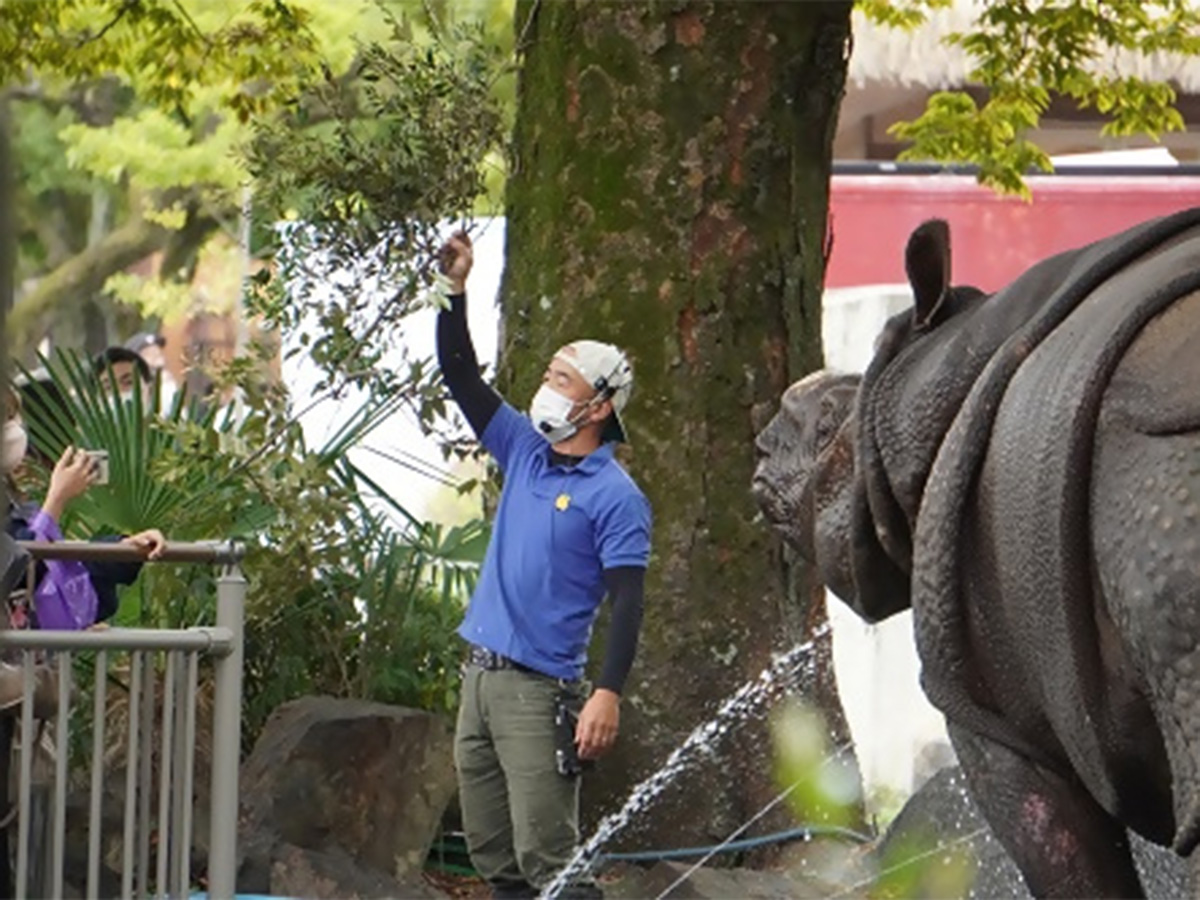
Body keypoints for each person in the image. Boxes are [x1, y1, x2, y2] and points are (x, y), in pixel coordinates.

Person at [436, 231, 652, 900]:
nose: (546, 388)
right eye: (548, 375)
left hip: (540, 691)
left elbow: (629, 602)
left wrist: (607, 692)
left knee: (549, 858)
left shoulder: (616, 496)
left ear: (599, 406)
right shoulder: (525, 449)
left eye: (563, 380)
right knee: (495, 857)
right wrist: (454, 291)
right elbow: (462, 377)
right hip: (480, 680)